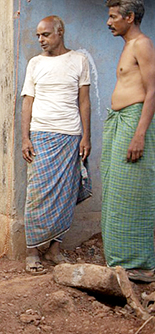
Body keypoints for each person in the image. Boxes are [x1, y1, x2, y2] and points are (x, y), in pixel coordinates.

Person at [20, 16, 91, 275]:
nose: (40, 40)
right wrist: (25, 137)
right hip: (41, 135)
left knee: (66, 194)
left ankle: (54, 250)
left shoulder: (78, 61)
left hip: (71, 135)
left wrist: (86, 136)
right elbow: (27, 102)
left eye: (46, 35)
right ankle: (32, 252)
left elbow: (84, 102)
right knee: (37, 194)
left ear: (60, 33)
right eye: (38, 35)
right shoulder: (35, 64)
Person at [102, 0, 155, 282]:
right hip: (120, 121)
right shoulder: (128, 45)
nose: (108, 22)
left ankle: (141, 266)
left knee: (134, 190)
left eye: (113, 17)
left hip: (134, 122)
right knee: (116, 189)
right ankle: (122, 261)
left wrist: (139, 134)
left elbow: (153, 90)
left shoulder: (142, 44)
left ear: (130, 17)